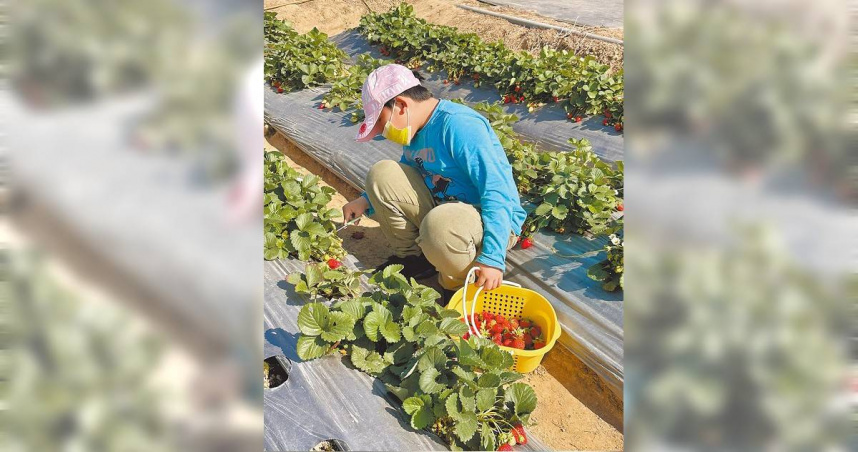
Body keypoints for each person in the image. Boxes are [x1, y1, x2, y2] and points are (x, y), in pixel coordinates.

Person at [342, 64, 526, 297]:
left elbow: (496, 190)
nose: (380, 131)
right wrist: (365, 200)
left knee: (440, 225)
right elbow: (410, 170)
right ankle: (417, 258)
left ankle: (458, 285)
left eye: (381, 121)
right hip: (443, 211)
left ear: (400, 105)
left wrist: (492, 257)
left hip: (488, 218)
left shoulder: (459, 125)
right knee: (382, 173)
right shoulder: (415, 129)